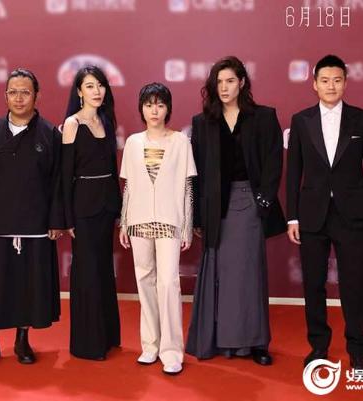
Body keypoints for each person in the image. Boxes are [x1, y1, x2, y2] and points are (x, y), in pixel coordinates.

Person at [186, 56, 286, 365]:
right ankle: (222, 341)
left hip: (250, 204)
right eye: (219, 82)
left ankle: (255, 343)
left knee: (249, 274)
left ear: (242, 82)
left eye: (230, 80)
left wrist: (263, 202)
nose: (224, 87)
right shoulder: (203, 122)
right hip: (216, 208)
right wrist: (199, 217)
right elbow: (197, 174)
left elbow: (273, 163)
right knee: (223, 275)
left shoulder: (264, 117)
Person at [286, 55, 363, 373]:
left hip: (351, 215)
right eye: (325, 80)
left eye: (337, 80)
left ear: (345, 83)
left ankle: (358, 351)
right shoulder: (301, 120)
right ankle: (318, 346)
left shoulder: (362, 119)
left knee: (354, 284)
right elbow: (294, 171)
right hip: (312, 215)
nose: (331, 86)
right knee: (313, 284)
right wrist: (293, 217)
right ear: (314, 84)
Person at [0, 68, 65, 369]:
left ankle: (23, 339)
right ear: (5, 96)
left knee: (27, 284)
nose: (19, 98)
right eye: (13, 92)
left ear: (37, 96)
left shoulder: (49, 134)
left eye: (25, 92)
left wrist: (56, 220)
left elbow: (58, 181)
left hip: (36, 222)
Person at [119, 83, 196, 375]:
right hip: (138, 220)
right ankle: (150, 345)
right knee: (145, 281)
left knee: (168, 283)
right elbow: (128, 187)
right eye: (149, 104)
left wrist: (187, 226)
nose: (154, 110)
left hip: (169, 220)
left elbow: (187, 187)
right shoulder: (133, 143)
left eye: (160, 105)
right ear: (141, 108)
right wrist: (124, 222)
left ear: (168, 109)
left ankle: (172, 351)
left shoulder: (180, 142)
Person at [60, 65, 122, 360]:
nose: (97, 91)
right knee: (86, 272)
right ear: (79, 92)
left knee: (104, 270)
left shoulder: (106, 121)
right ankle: (88, 344)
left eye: (100, 85)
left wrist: (119, 208)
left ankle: (107, 337)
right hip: (82, 209)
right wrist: (67, 217)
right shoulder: (72, 124)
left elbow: (112, 168)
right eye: (89, 86)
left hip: (107, 206)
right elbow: (65, 175)